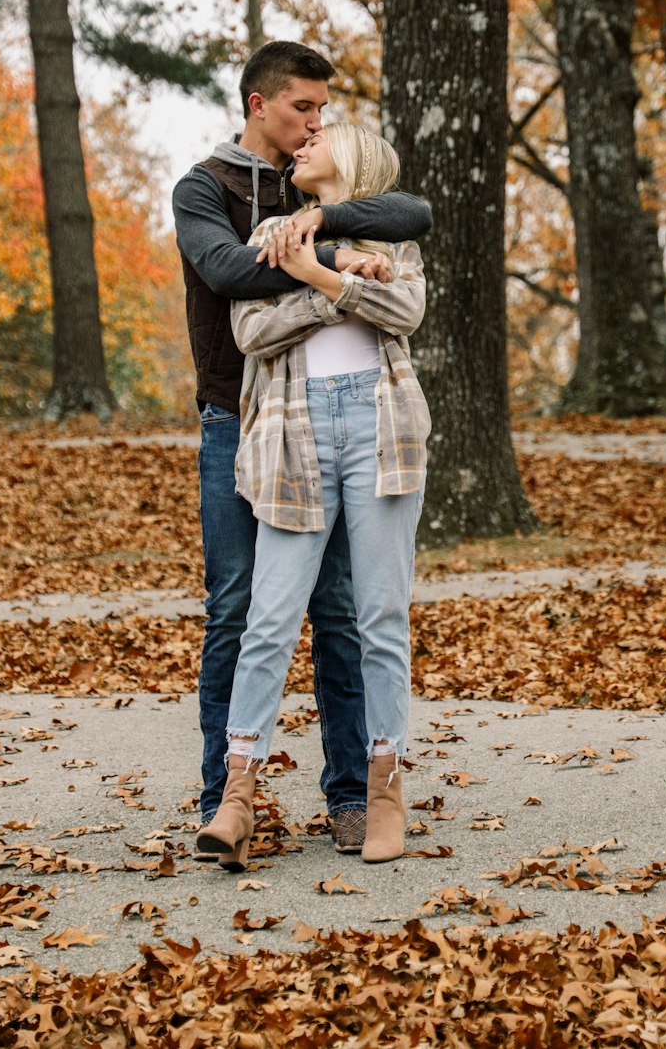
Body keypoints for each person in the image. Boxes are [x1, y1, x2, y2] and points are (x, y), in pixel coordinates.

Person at [172, 42, 431, 861]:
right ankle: (229, 792)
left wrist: (321, 242)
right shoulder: (208, 189)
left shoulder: (320, 203)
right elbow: (233, 291)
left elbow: (407, 246)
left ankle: (363, 793)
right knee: (245, 613)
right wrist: (329, 273)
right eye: (303, 110)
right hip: (252, 423)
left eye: (323, 116)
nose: (314, 124)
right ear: (259, 103)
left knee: (359, 614)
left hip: (377, 430)